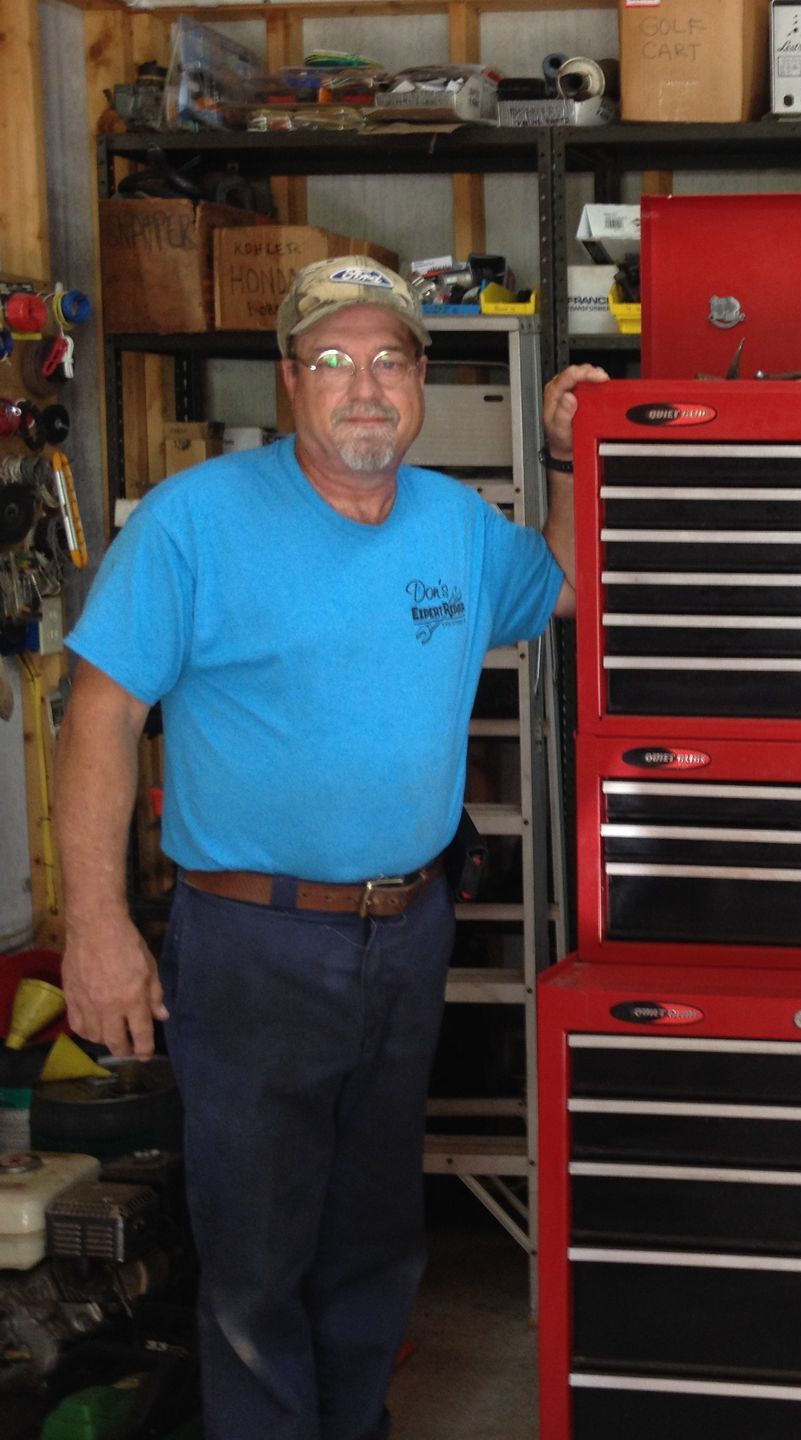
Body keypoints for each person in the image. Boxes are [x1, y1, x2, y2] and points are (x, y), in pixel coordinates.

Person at [53, 256, 608, 1440]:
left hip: (405, 934)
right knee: (257, 1260)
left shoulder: (455, 525)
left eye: (390, 361)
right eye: (335, 360)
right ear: (291, 379)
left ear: (420, 380)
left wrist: (567, 454)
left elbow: (562, 586)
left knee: (373, 1240)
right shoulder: (195, 522)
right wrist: (96, 925)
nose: (365, 387)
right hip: (252, 943)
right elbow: (100, 711)